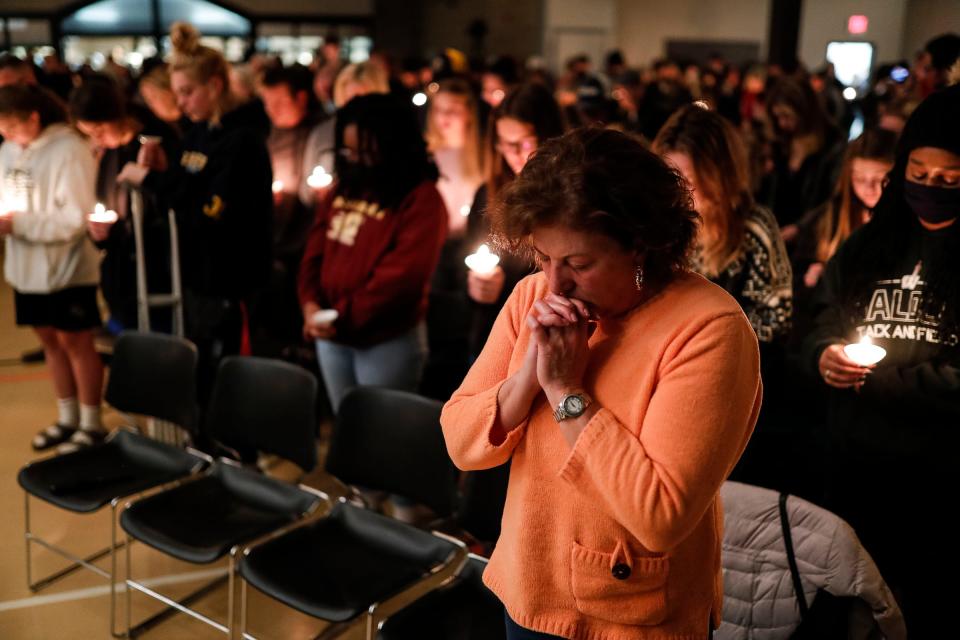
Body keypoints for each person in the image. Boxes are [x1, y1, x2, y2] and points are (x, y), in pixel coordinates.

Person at [441, 128, 762, 639]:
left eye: (578, 264)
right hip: (528, 587)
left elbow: (659, 516)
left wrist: (567, 394)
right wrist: (528, 376)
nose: (555, 284)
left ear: (641, 244)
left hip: (634, 616)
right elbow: (461, 443)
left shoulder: (709, 329)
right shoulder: (530, 298)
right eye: (544, 259)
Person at [802, 84, 960, 637]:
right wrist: (824, 356)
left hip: (938, 480)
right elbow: (820, 317)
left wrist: (884, 381)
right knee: (849, 604)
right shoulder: (874, 241)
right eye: (919, 172)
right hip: (856, 466)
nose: (930, 188)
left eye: (948, 180)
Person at [122, 22, 273, 402]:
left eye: (188, 92)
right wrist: (161, 170)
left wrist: (152, 181)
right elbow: (187, 187)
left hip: (232, 278)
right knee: (202, 373)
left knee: (232, 381)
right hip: (198, 274)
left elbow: (209, 210)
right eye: (178, 94)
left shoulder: (244, 140)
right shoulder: (198, 132)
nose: (183, 103)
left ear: (215, 86)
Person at [298, 93, 446, 412]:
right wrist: (310, 303)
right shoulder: (346, 185)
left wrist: (340, 316)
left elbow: (401, 279)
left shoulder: (421, 199)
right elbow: (315, 249)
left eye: (365, 151)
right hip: (331, 332)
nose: (355, 160)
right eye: (348, 151)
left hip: (386, 340)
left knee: (384, 439)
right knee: (348, 426)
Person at [420, 83, 565, 400]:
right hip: (492, 341)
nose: (514, 155)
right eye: (503, 144)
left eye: (524, 143)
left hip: (548, 348)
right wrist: (475, 287)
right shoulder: (489, 195)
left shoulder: (568, 201)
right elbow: (464, 260)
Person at [0, 84, 104, 452]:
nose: (6, 134)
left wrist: (20, 225)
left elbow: (75, 217)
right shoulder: (9, 150)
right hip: (25, 265)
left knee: (76, 341)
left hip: (65, 266)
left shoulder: (69, 149)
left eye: (11, 126)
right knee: (48, 340)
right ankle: (67, 416)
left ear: (34, 117)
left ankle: (91, 422)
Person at [68, 75, 180, 334]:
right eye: (89, 134)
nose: (97, 140)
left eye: (98, 131)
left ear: (117, 117)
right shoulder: (111, 149)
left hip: (155, 270)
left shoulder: (153, 141)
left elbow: (165, 204)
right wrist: (98, 231)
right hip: (122, 270)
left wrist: (119, 229)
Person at [759, 76, 846, 239]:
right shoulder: (780, 143)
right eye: (777, 117)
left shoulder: (832, 144)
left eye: (787, 116)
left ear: (805, 111)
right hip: (776, 232)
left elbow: (832, 197)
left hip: (812, 236)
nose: (782, 123)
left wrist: (800, 228)